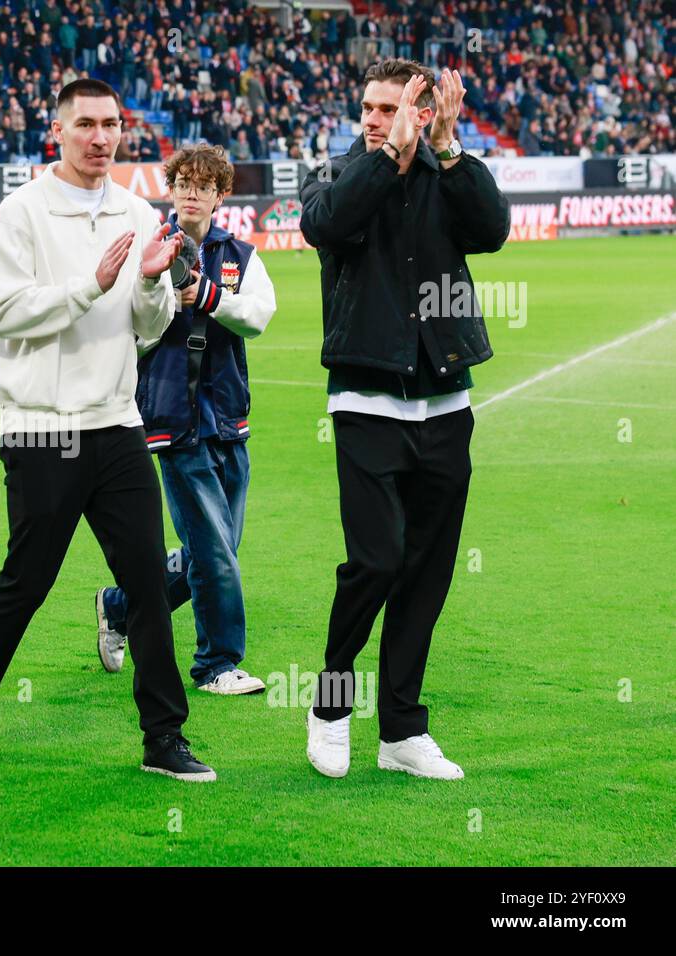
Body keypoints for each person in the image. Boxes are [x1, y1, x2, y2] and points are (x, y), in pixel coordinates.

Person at [0, 79, 216, 783]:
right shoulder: (19, 215)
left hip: (118, 423)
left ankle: (164, 737)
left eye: (111, 125)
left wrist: (154, 284)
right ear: (57, 131)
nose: (101, 138)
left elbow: (149, 331)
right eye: (86, 124)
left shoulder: (135, 209)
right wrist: (91, 285)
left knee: (149, 585)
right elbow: (8, 313)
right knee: (25, 583)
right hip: (40, 428)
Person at [299, 60, 510, 780]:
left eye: (392, 108)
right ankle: (329, 705)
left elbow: (492, 230)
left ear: (421, 113)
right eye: (369, 105)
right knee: (377, 560)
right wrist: (389, 156)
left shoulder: (446, 174)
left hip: (446, 399)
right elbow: (324, 225)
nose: (373, 117)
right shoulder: (338, 172)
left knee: (426, 571)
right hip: (365, 401)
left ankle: (400, 733)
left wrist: (449, 150)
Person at [95, 143, 277, 695]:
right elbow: (132, 326)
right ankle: (217, 664)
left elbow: (259, 316)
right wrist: (163, 288)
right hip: (172, 418)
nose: (193, 192)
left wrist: (209, 295)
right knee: (214, 548)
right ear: (171, 189)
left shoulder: (240, 254)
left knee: (217, 546)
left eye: (205, 185)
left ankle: (119, 607)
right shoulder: (146, 248)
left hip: (227, 418)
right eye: (184, 183)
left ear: (222, 195)